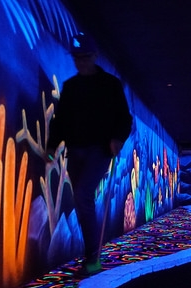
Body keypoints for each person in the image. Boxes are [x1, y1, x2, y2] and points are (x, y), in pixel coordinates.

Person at [47, 33, 133, 275]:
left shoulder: (110, 85)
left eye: (85, 57)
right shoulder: (70, 87)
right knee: (82, 201)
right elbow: (60, 121)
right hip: (75, 151)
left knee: (83, 195)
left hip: (100, 151)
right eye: (77, 58)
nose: (81, 62)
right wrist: (51, 147)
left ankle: (92, 257)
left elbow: (125, 119)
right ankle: (91, 255)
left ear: (95, 56)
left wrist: (117, 139)